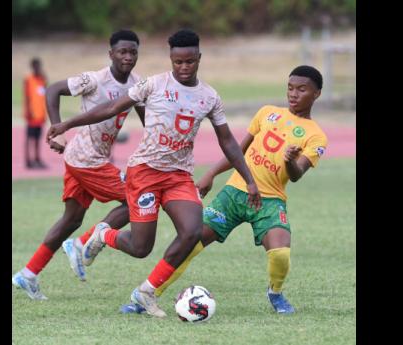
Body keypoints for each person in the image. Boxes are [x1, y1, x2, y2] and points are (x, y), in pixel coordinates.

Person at [46, 29, 261, 317]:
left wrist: (249, 179)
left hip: (179, 176)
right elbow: (111, 107)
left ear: (199, 58)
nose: (183, 68)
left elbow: (228, 141)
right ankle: (103, 235)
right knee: (140, 247)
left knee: (192, 231)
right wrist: (67, 124)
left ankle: (146, 292)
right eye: (178, 62)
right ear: (171, 59)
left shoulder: (209, 97)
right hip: (145, 172)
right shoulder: (153, 84)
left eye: (190, 61)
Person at [120, 65, 329, 315]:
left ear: (316, 94)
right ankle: (146, 295)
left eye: (302, 89)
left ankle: (275, 293)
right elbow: (236, 151)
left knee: (281, 253)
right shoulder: (267, 113)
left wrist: (288, 161)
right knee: (191, 243)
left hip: (270, 201)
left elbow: (296, 175)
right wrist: (210, 173)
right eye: (290, 88)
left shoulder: (316, 136)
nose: (293, 94)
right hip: (233, 194)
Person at [12, 29, 145, 300]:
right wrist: (58, 130)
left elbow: (148, 118)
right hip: (86, 159)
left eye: (133, 52)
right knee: (139, 198)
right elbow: (53, 89)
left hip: (80, 159)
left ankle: (28, 274)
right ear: (111, 54)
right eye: (122, 52)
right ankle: (84, 243)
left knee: (71, 219)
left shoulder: (137, 85)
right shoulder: (94, 80)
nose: (128, 57)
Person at [23, 57, 48, 169]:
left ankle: (37, 159)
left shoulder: (42, 79)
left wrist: (45, 113)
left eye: (39, 66)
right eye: (36, 66)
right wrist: (28, 111)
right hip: (32, 114)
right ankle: (28, 160)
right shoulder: (28, 79)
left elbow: (45, 95)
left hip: (40, 114)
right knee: (29, 138)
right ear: (32, 67)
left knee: (38, 138)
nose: (38, 68)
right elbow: (27, 97)